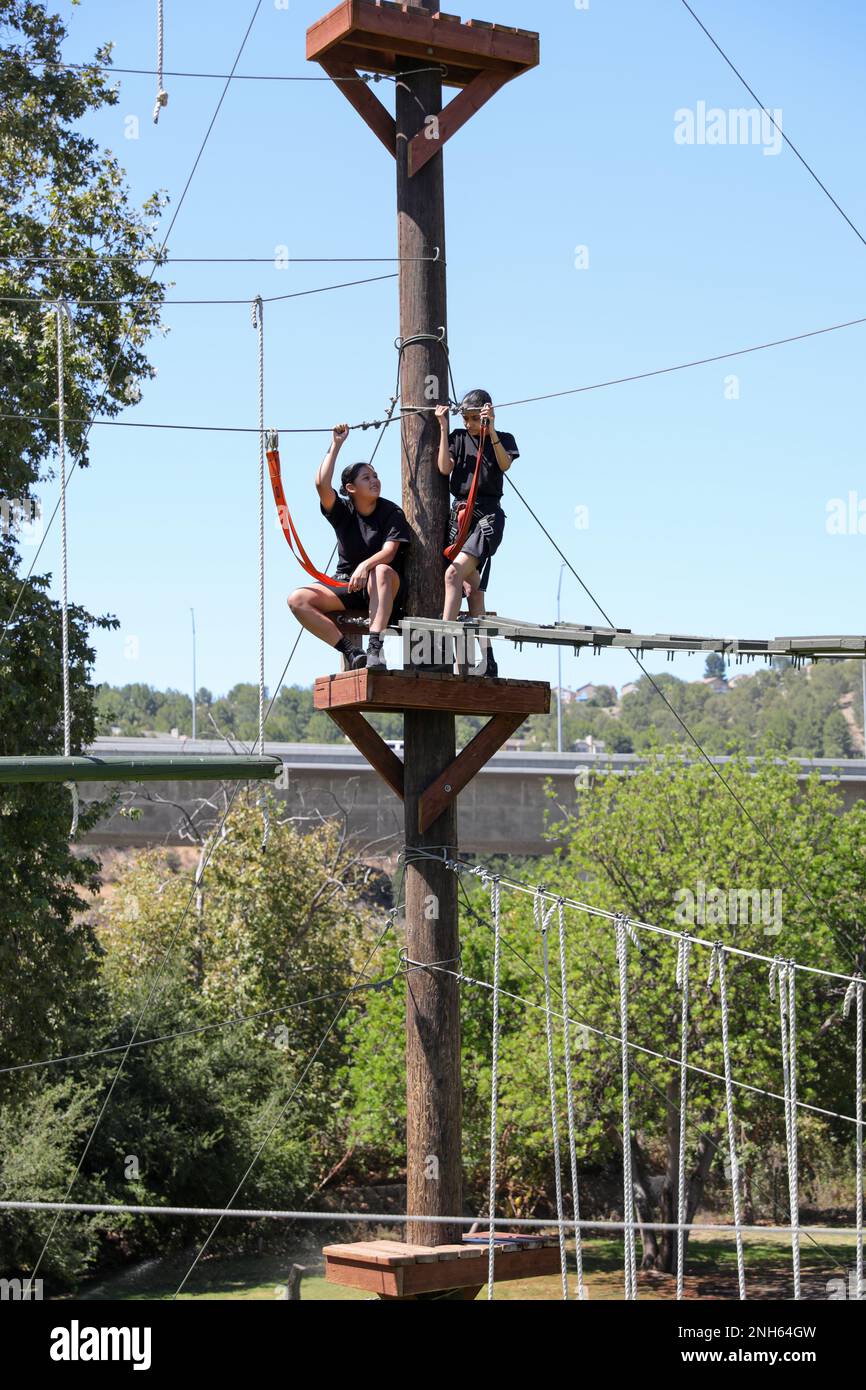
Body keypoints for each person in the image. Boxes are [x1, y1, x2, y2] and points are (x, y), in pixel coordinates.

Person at [287, 424, 411, 671]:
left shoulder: (391, 512)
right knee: (297, 599)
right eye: (366, 478)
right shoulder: (343, 511)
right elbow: (321, 484)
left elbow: (389, 552)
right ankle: (352, 651)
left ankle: (375, 648)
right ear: (350, 488)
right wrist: (336, 445)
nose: (374, 481)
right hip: (348, 584)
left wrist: (365, 565)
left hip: (383, 588)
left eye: (375, 476)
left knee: (382, 570)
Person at [435, 389, 519, 677]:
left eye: (474, 418)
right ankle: (488, 659)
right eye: (466, 418)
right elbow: (444, 468)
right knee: (472, 588)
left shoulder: (502, 438)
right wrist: (444, 427)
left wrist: (490, 428)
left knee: (452, 575)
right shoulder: (458, 438)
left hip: (488, 517)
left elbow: (504, 463)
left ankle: (442, 644)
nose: (469, 423)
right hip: (461, 518)